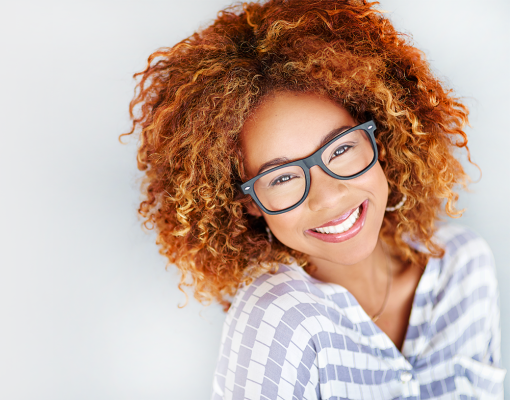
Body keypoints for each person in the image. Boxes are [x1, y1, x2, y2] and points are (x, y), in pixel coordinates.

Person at [124, 0, 506, 398]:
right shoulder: (279, 320)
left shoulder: (464, 267)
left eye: (340, 149)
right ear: (247, 202)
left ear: (379, 136)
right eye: (283, 176)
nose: (328, 196)